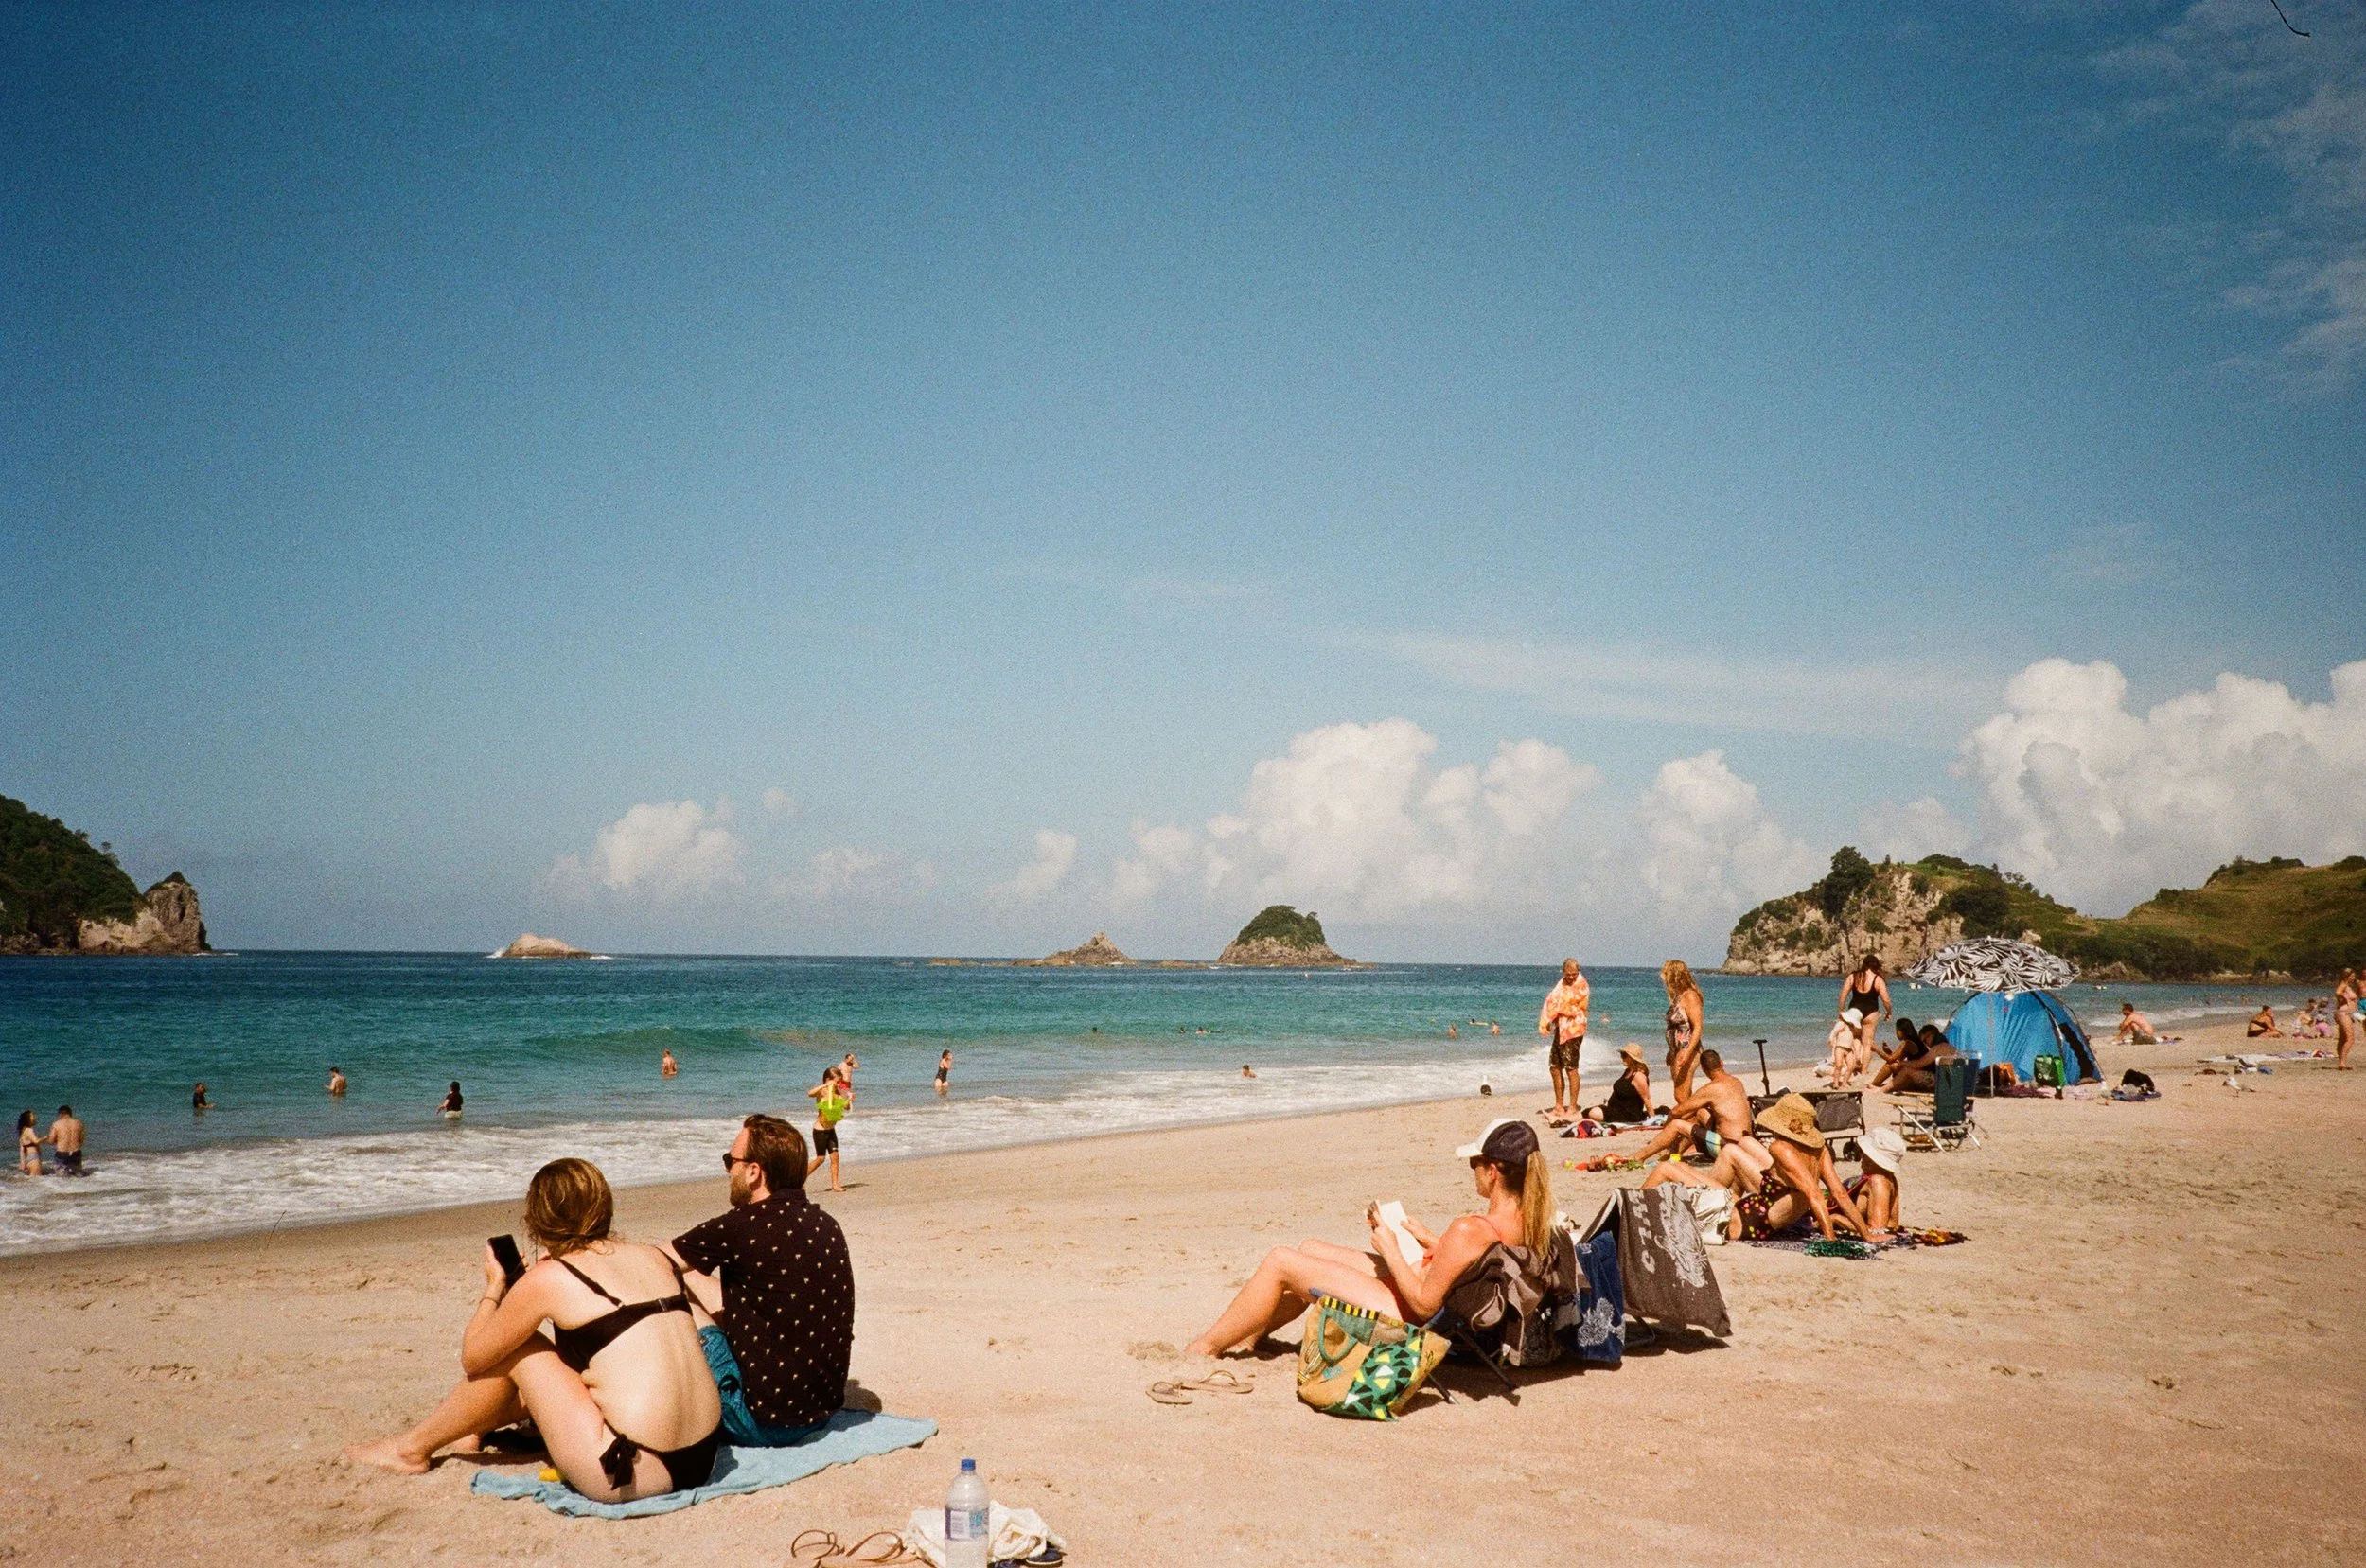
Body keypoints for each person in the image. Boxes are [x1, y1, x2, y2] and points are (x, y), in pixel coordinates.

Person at [344, 1157, 723, 1498]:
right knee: (581, 1363)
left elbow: (475, 1359)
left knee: (524, 1350)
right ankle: (470, 1429)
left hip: (628, 1471)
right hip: (703, 1458)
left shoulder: (550, 1277)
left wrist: (494, 1289)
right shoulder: (653, 1256)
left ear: (538, 1222)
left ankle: (410, 1450)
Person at [1182, 1119, 1552, 1357]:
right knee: (1310, 1248)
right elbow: (1471, 1268)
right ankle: (1250, 1334)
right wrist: (1433, 1244)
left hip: (1406, 1312)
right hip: (1426, 1287)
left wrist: (1390, 1249)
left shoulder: (1470, 1228)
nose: (1472, 1172)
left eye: (1474, 1164)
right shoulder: (1529, 1222)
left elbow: (1424, 1307)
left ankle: (1207, 1347)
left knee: (1282, 1260)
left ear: (1493, 1171)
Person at [664, 1115, 855, 1444]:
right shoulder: (826, 1223)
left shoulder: (739, 1226)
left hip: (759, 1422)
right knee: (695, 1277)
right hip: (820, 1411)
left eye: (730, 1162)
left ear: (754, 1171)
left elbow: (653, 1263)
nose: (728, 1171)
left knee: (671, 1284)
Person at [1729, 1095, 1873, 1242]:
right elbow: (1840, 1194)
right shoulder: (1820, 1151)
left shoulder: (1780, 1148)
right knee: (1739, 1153)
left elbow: (1814, 1194)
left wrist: (1831, 1240)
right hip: (1774, 1217)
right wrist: (1867, 1235)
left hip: (1757, 1219)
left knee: (1714, 1183)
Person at [1625, 1049, 1769, 1186]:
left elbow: (1676, 1112)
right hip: (1746, 1144)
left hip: (1728, 1147)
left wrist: (1666, 1127)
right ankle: (1674, 1153)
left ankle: (1639, 1157)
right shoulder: (1736, 1081)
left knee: (1677, 1125)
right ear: (1722, 1063)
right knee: (1699, 1112)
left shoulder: (1711, 1088)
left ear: (1703, 1069)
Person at [1537, 959, 1591, 1122]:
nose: (1571, 978)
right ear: (1563, 972)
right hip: (1561, 1029)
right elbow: (1551, 1000)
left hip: (1574, 1030)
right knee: (1554, 1066)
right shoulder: (1561, 984)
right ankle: (1559, 1105)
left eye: (1573, 974)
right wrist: (1546, 1020)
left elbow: (1577, 1009)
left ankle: (1573, 1106)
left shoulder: (1582, 985)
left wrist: (1558, 1010)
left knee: (1571, 1068)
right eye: (1568, 975)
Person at [1843, 1127, 1906, 1236]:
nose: (1861, 1155)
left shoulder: (1878, 1181)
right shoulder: (1888, 1178)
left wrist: (1835, 1219)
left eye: (1864, 1151)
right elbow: (1891, 1224)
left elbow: (1877, 1229)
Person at [1661, 960, 1705, 1103]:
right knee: (1684, 1094)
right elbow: (1675, 1029)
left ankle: (1692, 1123)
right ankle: (1693, 1122)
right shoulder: (1678, 997)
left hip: (1688, 1048)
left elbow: (1697, 1026)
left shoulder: (1690, 996)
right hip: (1677, 1049)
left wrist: (1687, 1052)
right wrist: (1671, 1051)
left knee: (1681, 1095)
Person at [1838, 956, 1891, 1076]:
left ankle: (1856, 1057)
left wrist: (1841, 1011)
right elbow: (1886, 1000)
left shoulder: (1853, 976)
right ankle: (1864, 1070)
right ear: (1876, 966)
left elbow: (1843, 995)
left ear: (1864, 964)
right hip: (1871, 1013)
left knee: (1856, 1037)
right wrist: (1889, 1012)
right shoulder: (1878, 979)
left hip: (1854, 1012)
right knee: (1867, 1043)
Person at [1586, 1045, 1656, 1124]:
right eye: (1622, 1055)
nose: (1622, 1057)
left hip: (1628, 1115)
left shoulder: (1638, 1076)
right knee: (1587, 1112)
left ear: (1632, 1058)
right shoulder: (1628, 1071)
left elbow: (1646, 1099)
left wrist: (1653, 1119)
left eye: (1624, 1055)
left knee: (1594, 1113)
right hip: (1616, 1110)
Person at [806, 1067, 851, 1192]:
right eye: (837, 1082)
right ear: (828, 1080)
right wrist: (825, 1085)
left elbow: (846, 1107)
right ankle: (800, 1179)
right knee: (820, 1159)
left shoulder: (837, 1093)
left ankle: (835, 1185)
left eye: (839, 1082)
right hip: (819, 1130)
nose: (838, 1084)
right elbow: (810, 1093)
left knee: (835, 1157)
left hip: (831, 1130)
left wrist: (849, 1099)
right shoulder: (822, 1092)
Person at [47, 1106, 84, 1177]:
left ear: (60, 1114)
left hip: (62, 1154)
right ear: (70, 1113)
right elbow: (82, 1140)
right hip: (76, 1153)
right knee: (78, 1175)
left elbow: (51, 1141)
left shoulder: (56, 1124)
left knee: (61, 1178)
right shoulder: (79, 1123)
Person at [2337, 970, 2358, 1071]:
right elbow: (2337, 992)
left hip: (2345, 1013)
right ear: (2347, 976)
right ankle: (2342, 1063)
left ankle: (2341, 1062)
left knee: (2342, 1038)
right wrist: (2345, 998)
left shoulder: (2347, 986)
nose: (2353, 978)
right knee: (2350, 1039)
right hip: (2344, 1013)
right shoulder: (2344, 984)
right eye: (2352, 976)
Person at [17, 1111, 43, 1176]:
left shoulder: (23, 1131)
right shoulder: (29, 1130)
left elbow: (22, 1149)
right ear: (28, 1119)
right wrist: (47, 1137)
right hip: (34, 1158)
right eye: (33, 1116)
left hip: (28, 1159)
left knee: (32, 1182)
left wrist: (22, 1163)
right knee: (37, 1182)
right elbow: (36, 1141)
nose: (36, 1117)